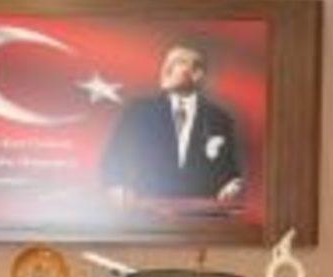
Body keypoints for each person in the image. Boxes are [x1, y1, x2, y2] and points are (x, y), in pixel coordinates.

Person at [100, 43, 243, 204]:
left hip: (200, 213)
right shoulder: (138, 112)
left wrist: (233, 185)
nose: (166, 69)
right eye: (166, 63)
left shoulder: (219, 119)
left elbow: (231, 173)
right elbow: (113, 160)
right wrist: (117, 185)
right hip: (146, 210)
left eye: (177, 62)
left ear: (197, 74)